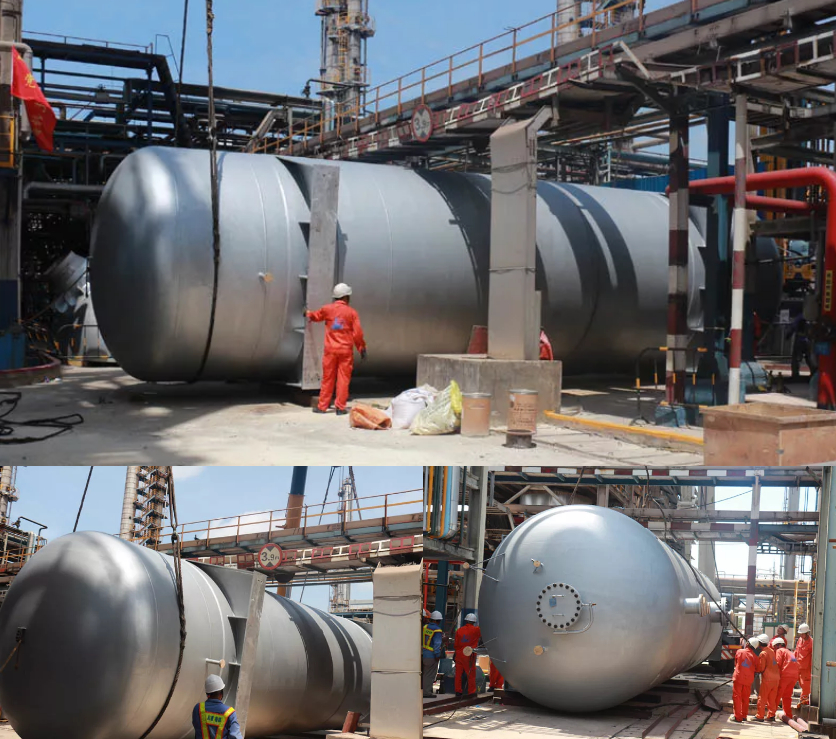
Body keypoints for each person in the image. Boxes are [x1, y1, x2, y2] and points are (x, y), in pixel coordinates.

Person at [305, 283, 367, 416]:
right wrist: (361, 348)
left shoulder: (327, 309)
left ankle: (322, 407)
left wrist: (307, 313)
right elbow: (357, 333)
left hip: (330, 351)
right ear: (346, 297)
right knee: (343, 379)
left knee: (328, 378)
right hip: (345, 351)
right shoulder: (352, 313)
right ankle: (340, 408)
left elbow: (316, 316)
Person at [732, 637, 760, 722]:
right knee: (745, 698)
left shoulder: (740, 652)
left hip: (738, 678)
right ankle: (744, 716)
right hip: (748, 680)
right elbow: (757, 669)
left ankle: (738, 717)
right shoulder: (755, 657)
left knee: (737, 697)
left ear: (747, 643)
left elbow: (736, 663)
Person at [454, 613, 482, 698]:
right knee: (471, 674)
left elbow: (456, 644)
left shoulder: (459, 630)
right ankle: (471, 692)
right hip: (469, 655)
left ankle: (458, 691)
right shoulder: (476, 630)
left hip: (459, 654)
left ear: (466, 620)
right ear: (474, 622)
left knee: (458, 674)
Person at [753, 634, 780, 722]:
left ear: (760, 643)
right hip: (776, 679)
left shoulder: (763, 653)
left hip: (767, 679)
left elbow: (761, 668)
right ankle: (771, 715)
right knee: (772, 698)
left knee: (762, 697)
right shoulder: (771, 651)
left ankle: (760, 716)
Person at [774, 637, 800, 720]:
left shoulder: (779, 651)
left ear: (778, 645)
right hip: (794, 676)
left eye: (774, 647)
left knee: (777, 694)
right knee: (787, 696)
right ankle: (788, 715)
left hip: (785, 675)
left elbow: (778, 663)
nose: (774, 649)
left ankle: (771, 714)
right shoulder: (789, 652)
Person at [787, 314, 817, 381]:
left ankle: (795, 374)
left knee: (796, 358)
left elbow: (792, 328)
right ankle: (814, 373)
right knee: (809, 358)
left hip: (799, 340)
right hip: (807, 341)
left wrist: (788, 335)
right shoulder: (811, 317)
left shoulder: (798, 317)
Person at [422, 611, 444, 698]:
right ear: (436, 621)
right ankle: (426, 692)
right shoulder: (437, 630)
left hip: (423, 654)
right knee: (430, 675)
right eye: (439, 621)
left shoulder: (425, 627)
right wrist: (437, 655)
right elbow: (437, 644)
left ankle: (425, 690)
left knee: (425, 674)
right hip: (431, 656)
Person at [795, 623, 813, 706]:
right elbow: (796, 651)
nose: (801, 635)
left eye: (803, 634)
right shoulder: (799, 640)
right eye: (800, 634)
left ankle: (804, 701)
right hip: (798, 666)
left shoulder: (811, 642)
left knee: (805, 685)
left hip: (806, 668)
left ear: (807, 633)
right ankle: (803, 700)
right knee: (800, 684)